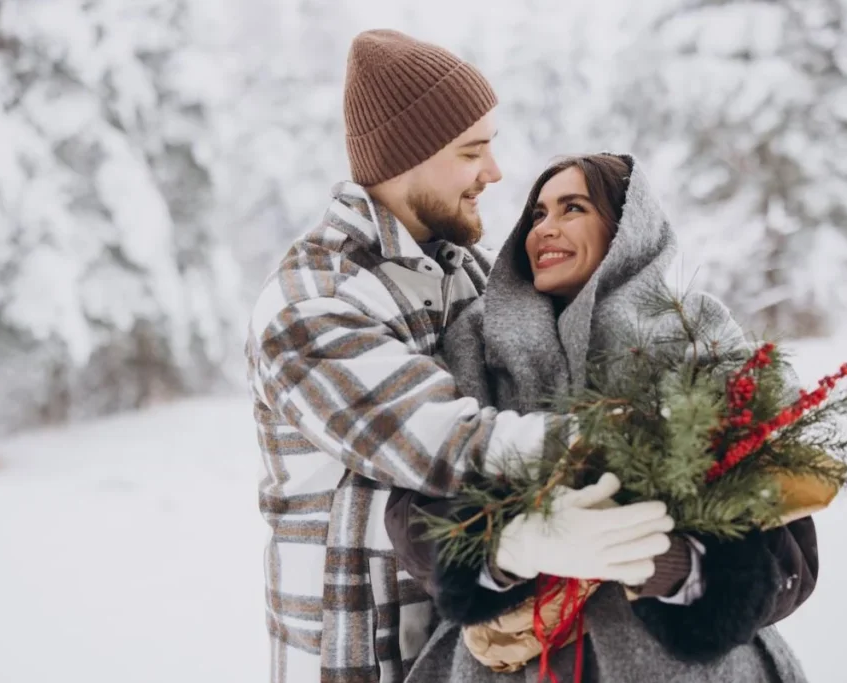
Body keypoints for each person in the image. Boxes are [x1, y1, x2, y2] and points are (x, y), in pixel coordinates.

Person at [245, 32, 675, 683]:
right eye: (472, 151)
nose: (495, 172)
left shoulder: (466, 274)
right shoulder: (312, 299)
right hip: (362, 659)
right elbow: (446, 440)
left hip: (466, 653)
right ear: (404, 159)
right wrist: (639, 442)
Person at [385, 153, 818, 683]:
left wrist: (672, 566)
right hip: (514, 664)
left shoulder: (699, 336)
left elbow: (790, 553)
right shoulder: (474, 342)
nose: (546, 228)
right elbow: (414, 507)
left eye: (573, 208)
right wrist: (506, 549)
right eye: (537, 214)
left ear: (626, 230)